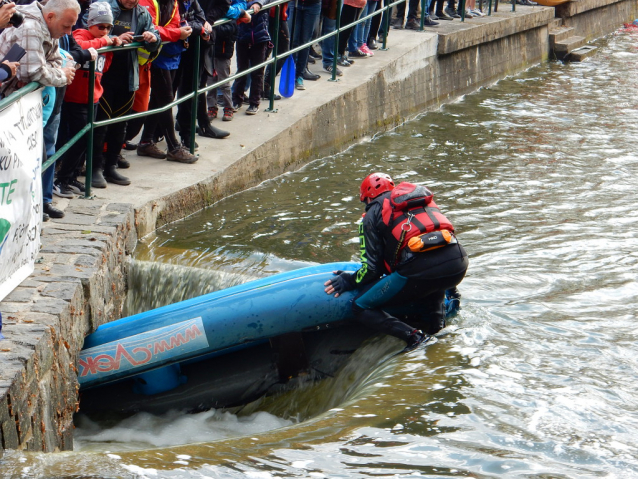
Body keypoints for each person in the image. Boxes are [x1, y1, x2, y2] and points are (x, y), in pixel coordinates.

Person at [324, 173, 469, 351]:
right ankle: (439, 330)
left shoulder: (371, 215)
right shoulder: (420, 201)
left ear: (368, 198)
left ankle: (416, 338)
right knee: (433, 280)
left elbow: (372, 269)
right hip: (458, 265)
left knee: (360, 306)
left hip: (422, 271)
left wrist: (349, 280)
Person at [0, 0, 79, 220]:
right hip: (11, 105)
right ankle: (27, 211)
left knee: (44, 152)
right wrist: (62, 76)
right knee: (24, 161)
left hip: (31, 103)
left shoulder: (47, 26)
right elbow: (34, 72)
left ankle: (41, 203)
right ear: (51, 16)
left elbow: (53, 59)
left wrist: (53, 71)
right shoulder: (29, 26)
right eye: (66, 26)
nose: (69, 32)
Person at [87, 0, 160, 189]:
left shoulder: (142, 13)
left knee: (121, 123)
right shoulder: (105, 7)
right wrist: (114, 37)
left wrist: (152, 38)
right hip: (103, 76)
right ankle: (95, 167)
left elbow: (156, 40)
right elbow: (87, 33)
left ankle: (111, 166)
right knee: (100, 124)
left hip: (128, 75)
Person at [54, 2, 118, 197]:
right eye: (101, 26)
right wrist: (106, 41)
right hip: (76, 99)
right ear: (90, 24)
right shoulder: (81, 34)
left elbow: (103, 68)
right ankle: (61, 180)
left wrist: (106, 45)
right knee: (76, 141)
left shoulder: (102, 40)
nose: (105, 31)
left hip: (94, 97)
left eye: (109, 27)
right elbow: (80, 47)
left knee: (86, 140)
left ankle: (71, 176)